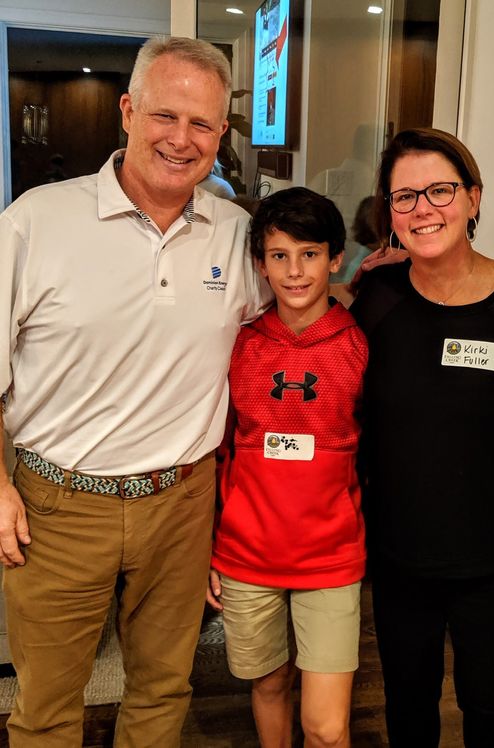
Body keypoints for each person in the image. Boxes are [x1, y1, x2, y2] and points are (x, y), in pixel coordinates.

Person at [0, 37, 270, 747]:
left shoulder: (237, 236)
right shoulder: (35, 221)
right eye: (165, 115)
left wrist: (382, 277)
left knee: (161, 690)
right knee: (48, 706)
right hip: (57, 508)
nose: (181, 140)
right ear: (128, 110)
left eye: (203, 124)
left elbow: (296, 314)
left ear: (220, 135)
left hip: (183, 503)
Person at [351, 127, 494, 747]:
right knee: (408, 707)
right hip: (399, 553)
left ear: (473, 199)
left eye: (440, 190)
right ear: (389, 212)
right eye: (404, 197)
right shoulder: (376, 296)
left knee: (489, 709)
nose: (423, 209)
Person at [207, 187, 367, 748]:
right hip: (247, 554)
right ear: (260, 264)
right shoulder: (241, 344)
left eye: (309, 254)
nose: (295, 272)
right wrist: (211, 547)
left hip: (331, 554)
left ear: (335, 258)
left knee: (326, 727)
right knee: (269, 685)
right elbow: (221, 447)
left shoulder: (358, 343)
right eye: (279, 256)